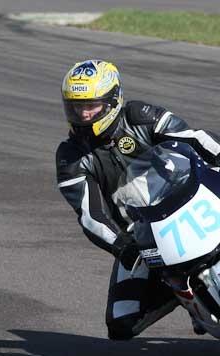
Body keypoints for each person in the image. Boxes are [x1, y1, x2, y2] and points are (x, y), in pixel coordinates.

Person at [56, 59, 220, 340]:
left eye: (90, 105)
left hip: (187, 199)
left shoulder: (140, 116)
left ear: (112, 101)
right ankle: (181, 292)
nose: (83, 115)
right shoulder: (70, 157)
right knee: (122, 323)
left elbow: (192, 139)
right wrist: (123, 247)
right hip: (142, 235)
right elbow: (90, 215)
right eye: (76, 106)